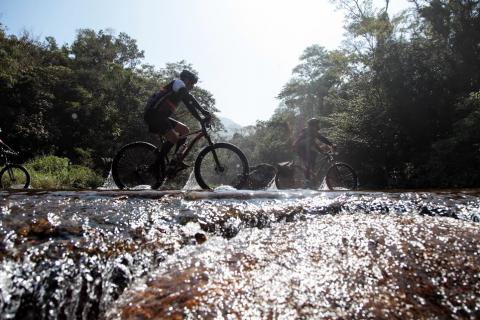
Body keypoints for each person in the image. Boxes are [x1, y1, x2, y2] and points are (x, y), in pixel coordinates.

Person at [144, 69, 211, 189]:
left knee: (184, 130)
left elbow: (190, 99)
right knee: (174, 138)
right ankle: (155, 166)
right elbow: (190, 104)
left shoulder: (182, 90)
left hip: (161, 116)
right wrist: (200, 119)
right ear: (185, 80)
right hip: (154, 115)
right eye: (191, 83)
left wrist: (203, 111)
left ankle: (174, 162)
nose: (192, 86)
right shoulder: (178, 83)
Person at [293, 117, 335, 187]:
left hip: (305, 149)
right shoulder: (308, 131)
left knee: (313, 156)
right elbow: (316, 141)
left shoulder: (312, 132)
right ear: (313, 125)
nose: (318, 126)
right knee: (309, 163)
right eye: (316, 124)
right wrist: (328, 146)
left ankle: (311, 175)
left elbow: (320, 139)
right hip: (300, 149)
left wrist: (328, 146)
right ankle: (307, 181)